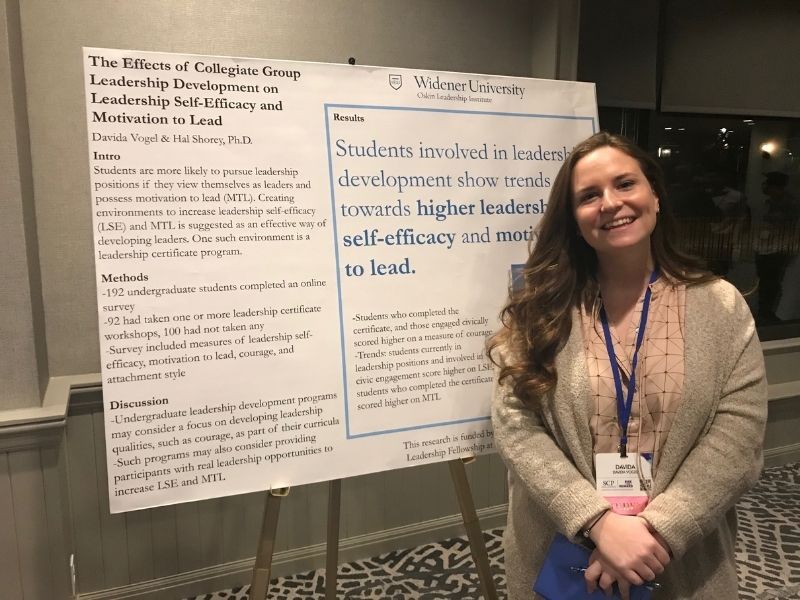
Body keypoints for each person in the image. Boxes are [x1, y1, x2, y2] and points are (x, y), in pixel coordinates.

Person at [489, 132, 768, 599]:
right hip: (559, 555)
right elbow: (516, 426)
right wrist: (598, 523)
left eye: (625, 184)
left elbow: (738, 436)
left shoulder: (720, 305)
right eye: (589, 195)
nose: (610, 203)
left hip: (682, 561)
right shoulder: (540, 307)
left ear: (654, 194)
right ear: (574, 219)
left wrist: (654, 532)